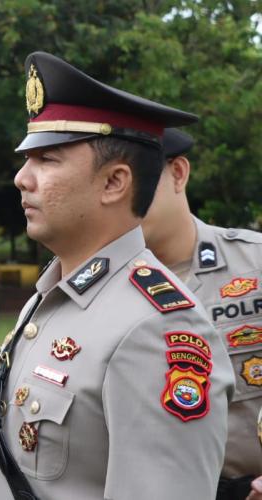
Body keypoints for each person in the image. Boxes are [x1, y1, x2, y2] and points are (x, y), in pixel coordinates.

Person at [0, 51, 234, 499]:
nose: (21, 178)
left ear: (114, 183)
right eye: (26, 159)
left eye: (47, 159)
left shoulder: (157, 326)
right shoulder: (52, 296)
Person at [143, 128, 262, 500]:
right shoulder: (92, 289)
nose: (118, 197)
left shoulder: (255, 263)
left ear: (178, 173)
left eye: (137, 179)